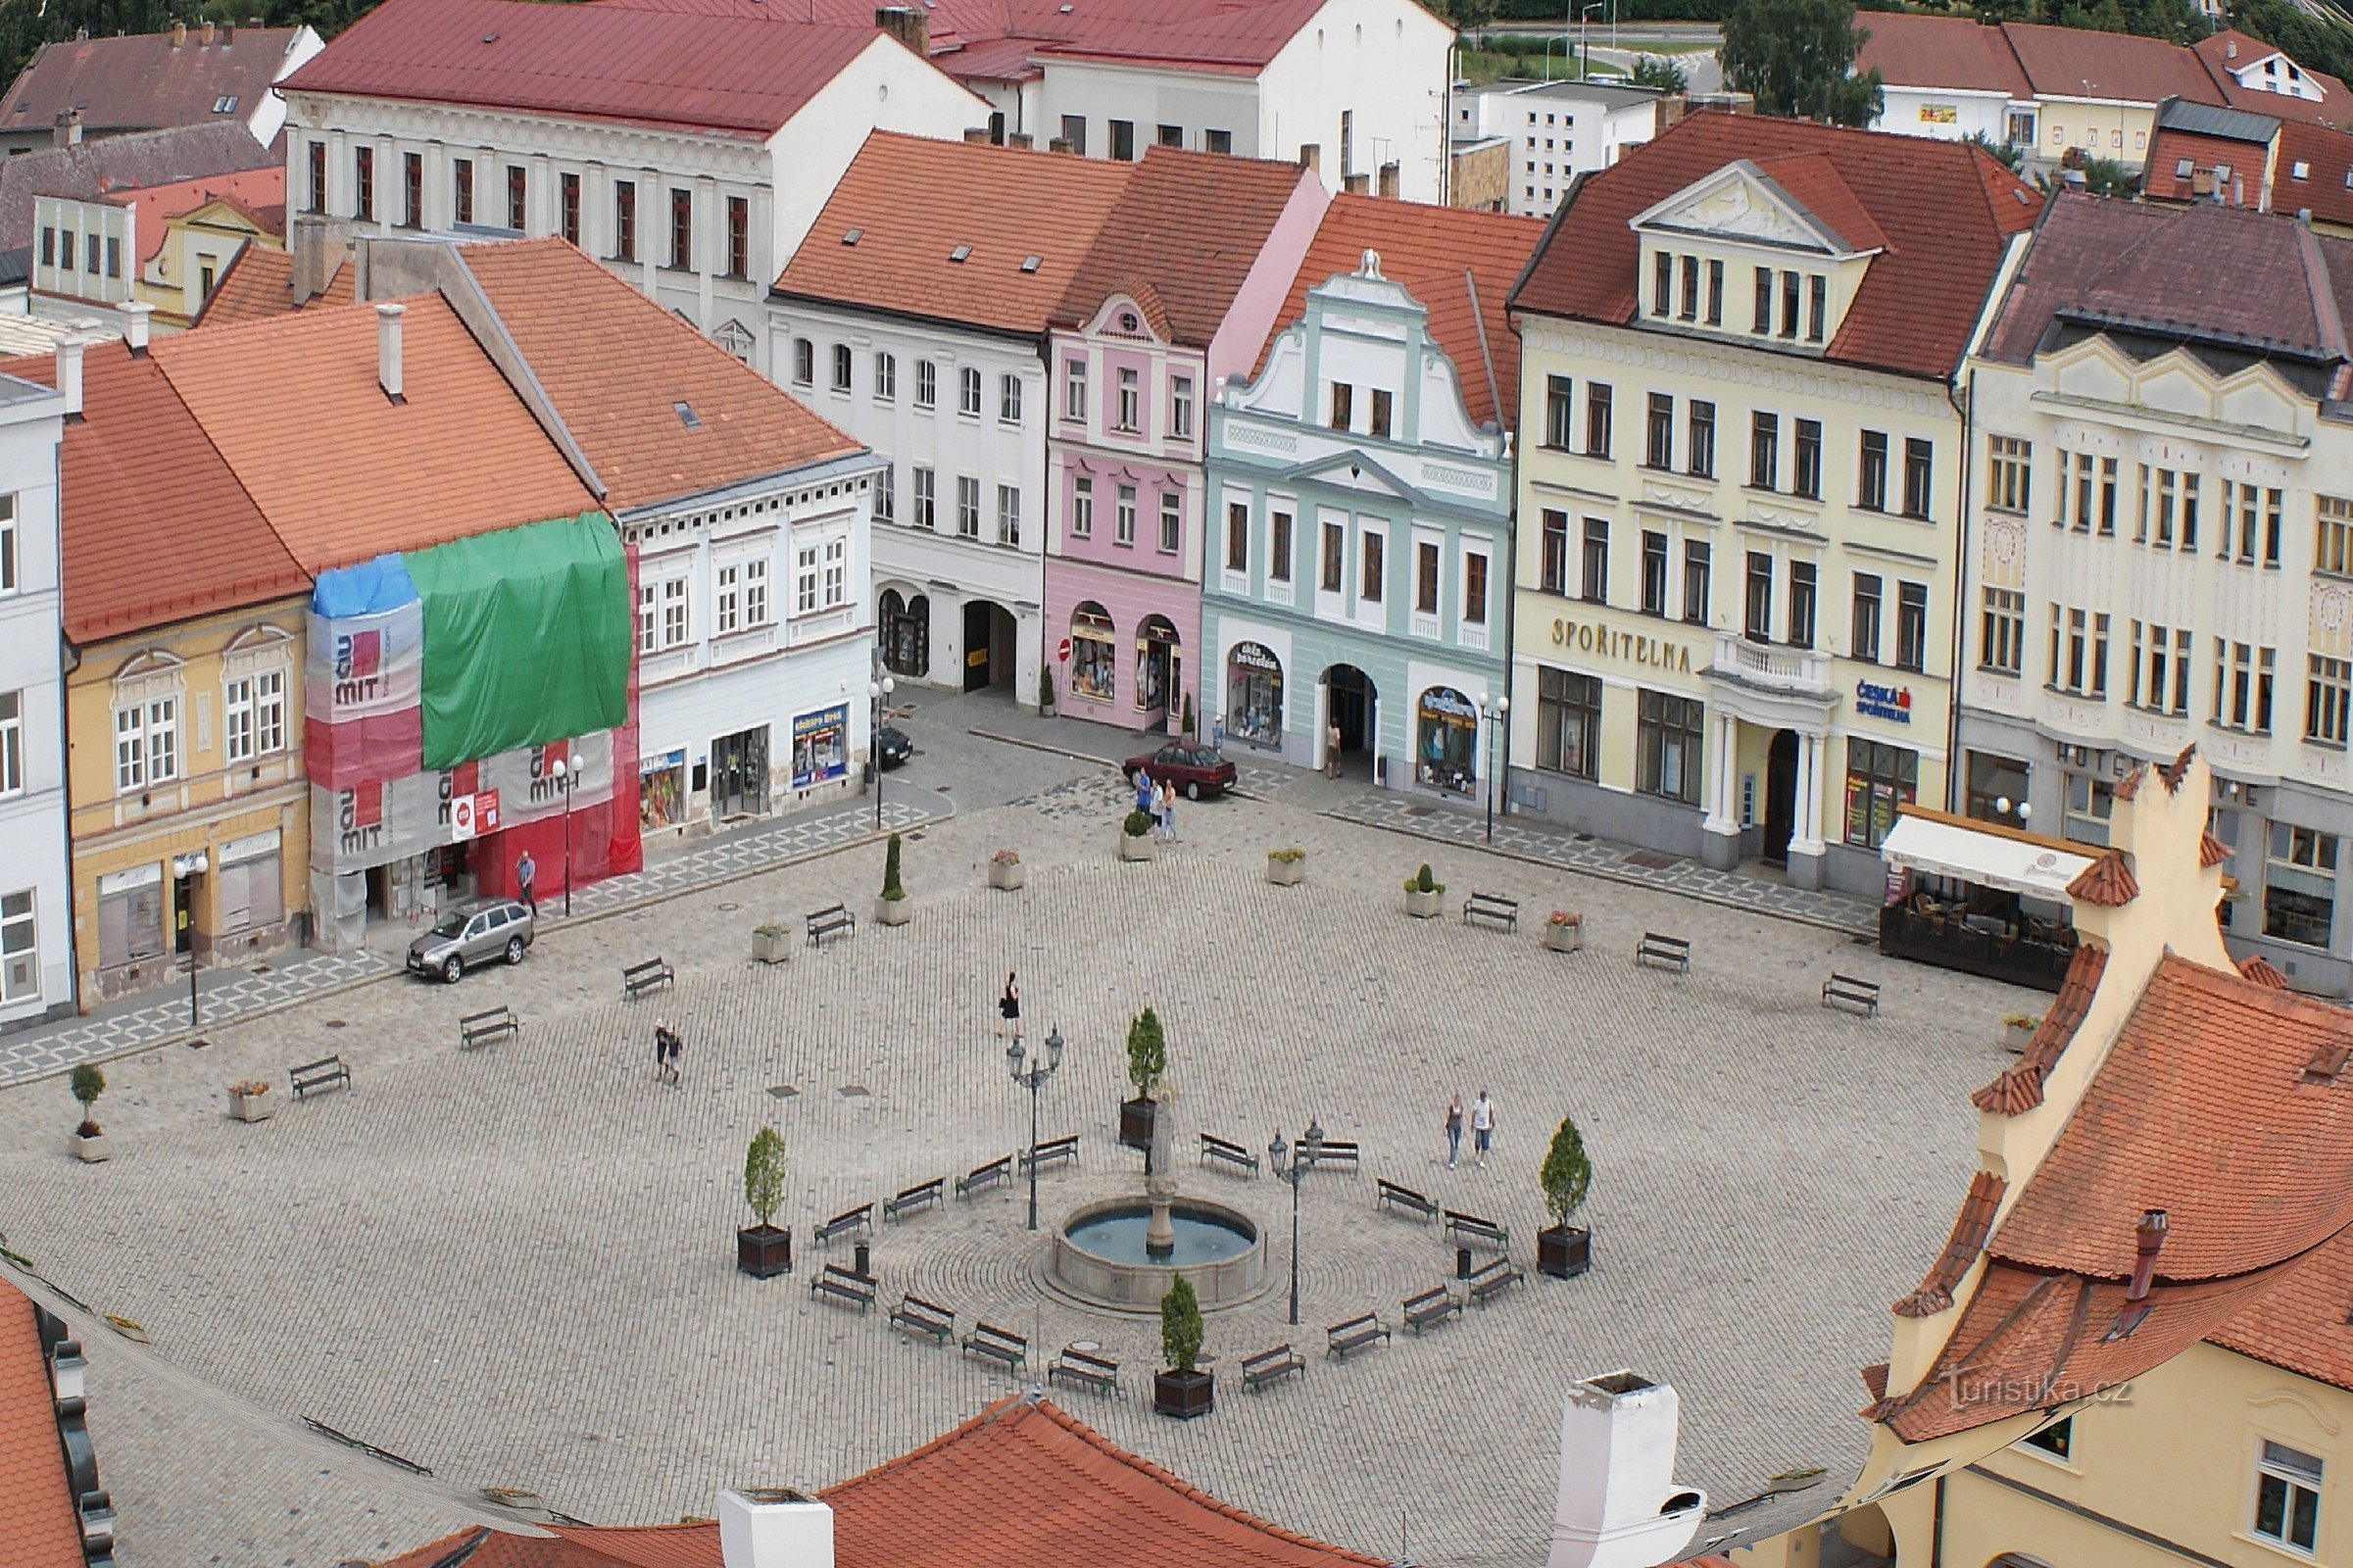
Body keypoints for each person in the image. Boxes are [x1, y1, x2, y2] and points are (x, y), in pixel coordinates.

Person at [1471, 1089, 1495, 1170]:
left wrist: (1490, 1123)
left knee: (1485, 1144)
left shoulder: (1489, 1103)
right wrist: (1472, 1123)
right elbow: (1474, 1113)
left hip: (1486, 1127)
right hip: (1478, 1126)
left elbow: (1491, 1113)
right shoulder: (1477, 1103)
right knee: (1477, 1141)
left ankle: (1481, 1160)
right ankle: (1477, 1150)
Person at [1444, 1095, 1465, 1170]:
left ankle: (1454, 1156)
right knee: (1452, 1144)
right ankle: (1451, 1161)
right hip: (1451, 1127)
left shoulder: (1461, 1108)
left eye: (1458, 1101)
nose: (1457, 1102)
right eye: (1456, 1100)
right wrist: (1444, 1127)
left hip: (1458, 1128)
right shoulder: (1451, 1108)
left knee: (1456, 1144)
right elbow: (1447, 1117)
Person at [998, 972, 1020, 1040]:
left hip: (1008, 1003)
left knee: (1007, 1017)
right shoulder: (1012, 987)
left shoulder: (1008, 984)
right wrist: (1016, 994)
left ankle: (1017, 1031)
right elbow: (1014, 997)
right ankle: (1017, 1032)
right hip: (1012, 1004)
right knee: (1014, 1017)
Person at [516, 849, 537, 916]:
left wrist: (526, 882)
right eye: (523, 857)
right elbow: (516, 867)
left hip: (528, 883)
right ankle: (521, 913)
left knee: (530, 898)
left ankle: (535, 913)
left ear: (527, 857)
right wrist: (519, 860)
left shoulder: (531, 863)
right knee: (522, 898)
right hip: (522, 882)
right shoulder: (521, 862)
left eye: (525, 857)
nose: (524, 858)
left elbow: (531, 874)